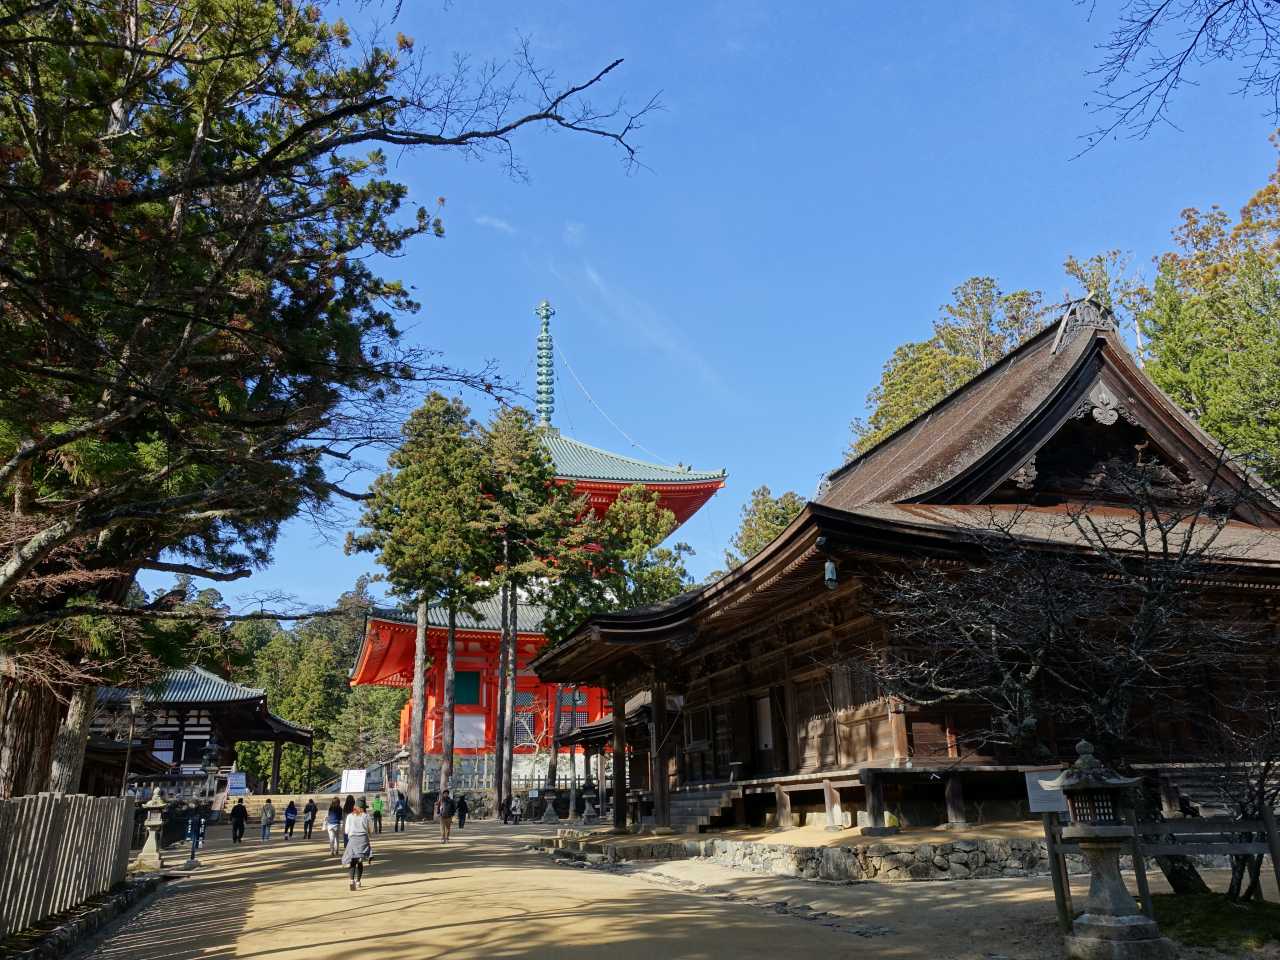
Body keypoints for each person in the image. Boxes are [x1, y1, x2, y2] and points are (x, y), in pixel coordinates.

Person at [342, 801, 373, 891]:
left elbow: (347, 830)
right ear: (363, 808)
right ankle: (358, 881)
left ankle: (351, 881)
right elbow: (371, 829)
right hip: (363, 839)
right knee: (360, 861)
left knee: (352, 860)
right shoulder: (366, 816)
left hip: (353, 840)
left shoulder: (349, 816)